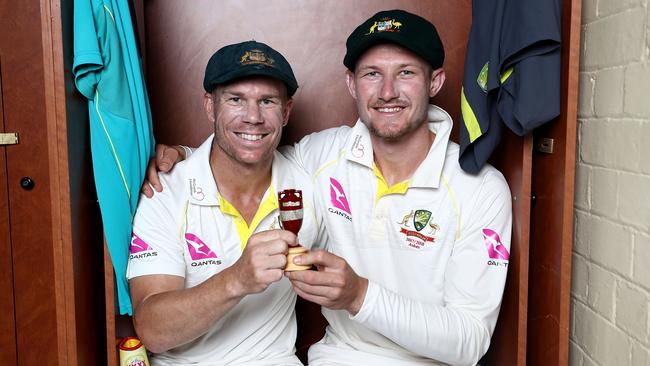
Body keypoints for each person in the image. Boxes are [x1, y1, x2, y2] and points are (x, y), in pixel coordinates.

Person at [144, 10, 512, 366]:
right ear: (352, 83)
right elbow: (248, 151)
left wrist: (360, 296)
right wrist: (184, 157)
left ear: (434, 82)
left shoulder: (480, 188)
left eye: (405, 73)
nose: (387, 91)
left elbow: (470, 342)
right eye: (372, 74)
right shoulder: (322, 158)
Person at [127, 40, 323, 366]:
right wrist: (236, 279)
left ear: (286, 112)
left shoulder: (308, 181)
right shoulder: (165, 189)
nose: (253, 117)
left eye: (267, 101)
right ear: (210, 106)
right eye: (235, 100)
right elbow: (151, 328)